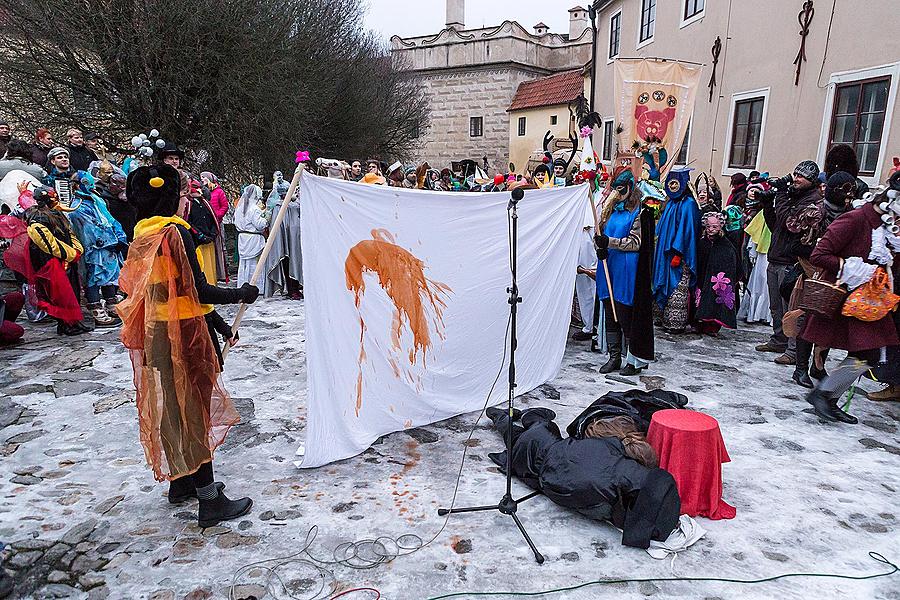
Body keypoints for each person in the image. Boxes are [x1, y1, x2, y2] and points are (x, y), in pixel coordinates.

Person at [117, 164, 259, 527]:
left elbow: (171, 294)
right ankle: (210, 501)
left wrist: (217, 321)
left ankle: (181, 481)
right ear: (167, 200)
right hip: (184, 335)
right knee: (193, 407)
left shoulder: (142, 236)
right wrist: (240, 294)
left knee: (174, 406)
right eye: (181, 195)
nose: (186, 202)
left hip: (159, 334)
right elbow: (198, 291)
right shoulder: (174, 236)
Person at [484, 405, 679, 549]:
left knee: (529, 429)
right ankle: (507, 415)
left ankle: (511, 416)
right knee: (521, 432)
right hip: (537, 457)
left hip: (546, 444)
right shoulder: (611, 484)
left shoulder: (609, 450)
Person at [803, 172, 900, 423]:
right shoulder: (855, 219)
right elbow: (819, 254)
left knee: (869, 353)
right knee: (867, 352)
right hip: (848, 298)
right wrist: (854, 268)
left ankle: (827, 396)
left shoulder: (887, 227)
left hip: (871, 300)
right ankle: (823, 395)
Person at [755, 161, 823, 366]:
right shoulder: (792, 197)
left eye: (801, 176)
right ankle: (779, 340)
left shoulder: (812, 202)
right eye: (795, 174)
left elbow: (790, 224)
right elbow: (776, 226)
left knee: (791, 309)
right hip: (776, 258)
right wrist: (768, 204)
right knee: (776, 306)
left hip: (792, 263)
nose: (795, 179)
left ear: (811, 181)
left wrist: (781, 195)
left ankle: (793, 350)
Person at [0, 184, 90, 335]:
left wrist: (76, 249)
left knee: (72, 291)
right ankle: (66, 325)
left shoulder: (56, 213)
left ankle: (74, 322)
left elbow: (68, 232)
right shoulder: (38, 217)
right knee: (60, 295)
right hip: (52, 262)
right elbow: (47, 243)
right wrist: (70, 254)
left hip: (66, 259)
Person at [594, 167, 656, 376]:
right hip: (608, 265)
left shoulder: (639, 212)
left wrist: (609, 242)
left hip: (626, 269)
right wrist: (600, 246)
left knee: (625, 312)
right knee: (609, 311)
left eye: (622, 190)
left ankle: (633, 358)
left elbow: (636, 242)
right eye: (615, 190)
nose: (618, 194)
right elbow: (600, 233)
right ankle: (614, 356)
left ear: (630, 188)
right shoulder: (610, 209)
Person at [67, 170, 127, 327]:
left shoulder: (96, 200)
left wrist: (119, 234)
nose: (92, 185)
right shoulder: (76, 207)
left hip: (109, 246)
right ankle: (96, 308)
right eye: (87, 183)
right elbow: (90, 229)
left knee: (111, 275)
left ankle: (111, 303)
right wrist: (109, 241)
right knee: (94, 276)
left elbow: (110, 219)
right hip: (94, 248)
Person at [653, 167, 701, 333]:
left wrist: (679, 253)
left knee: (677, 289)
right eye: (670, 183)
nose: (673, 187)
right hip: (663, 255)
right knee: (660, 282)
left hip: (678, 257)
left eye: (676, 184)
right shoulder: (670, 203)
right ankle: (660, 317)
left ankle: (675, 323)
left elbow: (687, 231)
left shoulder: (689, 205)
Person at [693, 211, 739, 335]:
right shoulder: (702, 242)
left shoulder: (726, 245)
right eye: (708, 226)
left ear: (720, 226)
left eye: (714, 227)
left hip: (717, 281)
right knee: (701, 299)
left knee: (715, 301)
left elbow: (732, 263)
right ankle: (699, 323)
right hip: (703, 278)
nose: (711, 229)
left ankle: (713, 326)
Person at [262, 170, 303, 299]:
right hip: (284, 244)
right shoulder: (278, 208)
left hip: (294, 243)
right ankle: (292, 290)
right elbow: (278, 226)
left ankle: (295, 288)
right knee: (286, 263)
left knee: (295, 263)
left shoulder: (294, 206)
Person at [738, 178, 773, 324]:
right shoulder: (763, 212)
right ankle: (755, 313)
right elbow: (755, 230)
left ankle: (765, 314)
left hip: (771, 251)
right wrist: (752, 248)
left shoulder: (772, 210)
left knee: (768, 284)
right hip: (762, 251)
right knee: (759, 282)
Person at [233, 184, 267, 287]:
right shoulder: (254, 209)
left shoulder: (240, 208)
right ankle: (256, 285)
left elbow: (235, 222)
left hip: (243, 237)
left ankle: (243, 283)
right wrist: (266, 218)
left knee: (244, 263)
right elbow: (260, 225)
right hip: (253, 238)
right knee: (254, 262)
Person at [201, 171, 229, 282]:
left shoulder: (219, 192)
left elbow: (225, 206)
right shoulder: (203, 191)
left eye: (204, 177)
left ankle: (221, 273)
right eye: (201, 177)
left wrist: (217, 216)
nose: (202, 179)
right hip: (207, 223)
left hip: (217, 221)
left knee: (219, 246)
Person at [97, 173, 137, 242]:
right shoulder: (104, 198)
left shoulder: (126, 197)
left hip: (131, 229)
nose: (122, 188)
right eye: (119, 185)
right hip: (120, 229)